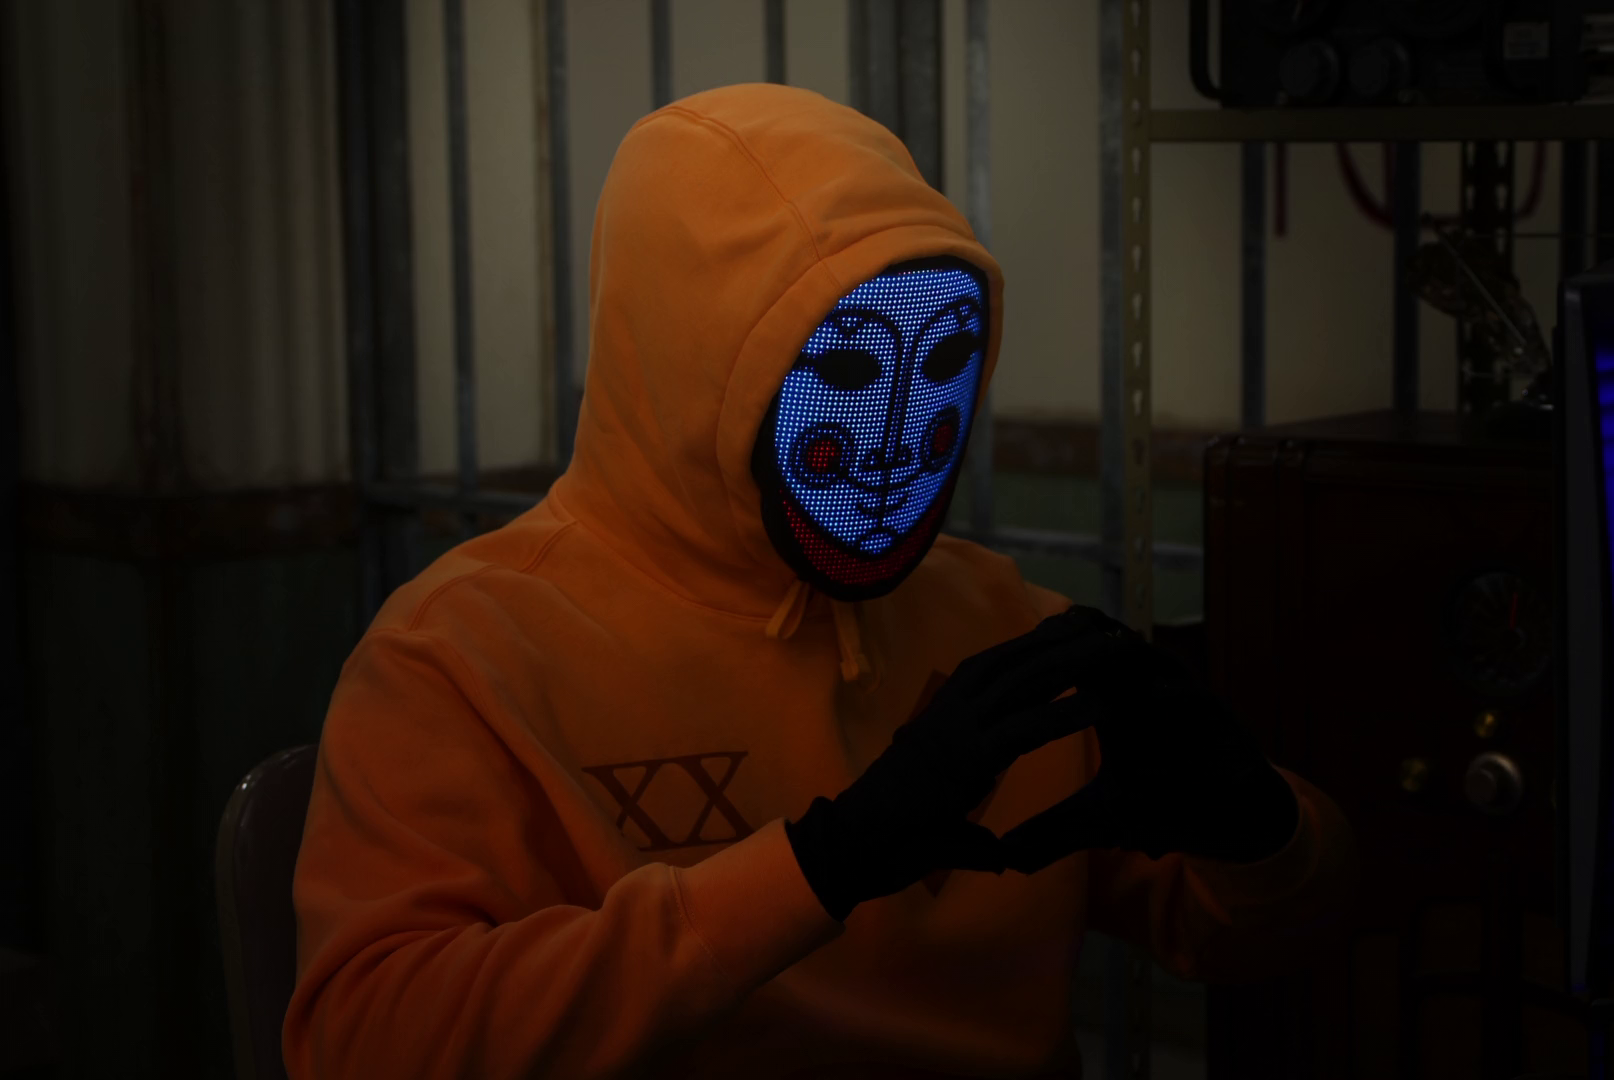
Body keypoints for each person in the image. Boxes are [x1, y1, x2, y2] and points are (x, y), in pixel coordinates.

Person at [284, 83, 1352, 1079]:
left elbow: (1251, 933)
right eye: (841, 370)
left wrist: (1261, 829)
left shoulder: (998, 624)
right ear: (688, 366)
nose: (895, 442)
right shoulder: (460, 656)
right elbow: (360, 1046)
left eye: (943, 364)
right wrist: (821, 867)